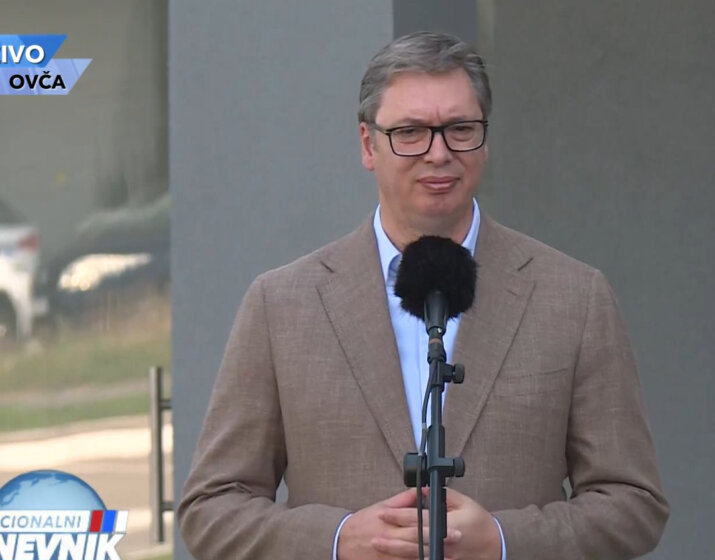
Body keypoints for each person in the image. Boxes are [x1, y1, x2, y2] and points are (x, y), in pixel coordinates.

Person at [178, 31, 668, 560]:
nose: (438, 153)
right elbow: (211, 508)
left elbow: (633, 504)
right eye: (410, 132)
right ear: (368, 144)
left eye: (460, 129)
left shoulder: (574, 297)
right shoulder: (281, 305)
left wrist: (504, 540)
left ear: (485, 139)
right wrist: (338, 541)